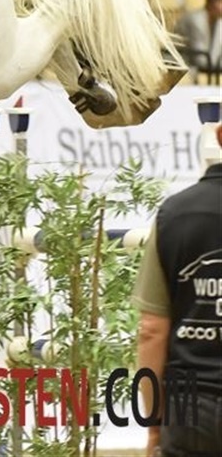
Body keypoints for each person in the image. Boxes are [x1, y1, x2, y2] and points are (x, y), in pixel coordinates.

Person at [132, 122, 222, 457]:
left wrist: (154, 424)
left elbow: (151, 331)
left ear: (220, 136)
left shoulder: (175, 214)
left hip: (189, 409)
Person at [172, 0, 221, 75]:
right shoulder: (195, 21)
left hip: (202, 69)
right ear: (211, 2)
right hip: (182, 68)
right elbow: (201, 60)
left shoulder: (218, 22)